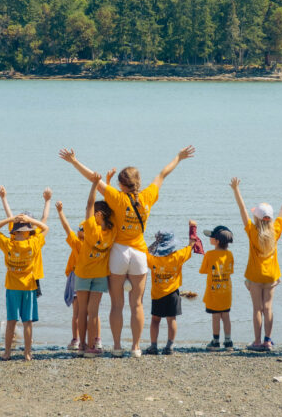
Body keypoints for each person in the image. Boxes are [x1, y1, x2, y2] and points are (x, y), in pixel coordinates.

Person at [59, 146, 195, 357]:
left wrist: (74, 162)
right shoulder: (148, 197)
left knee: (116, 305)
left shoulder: (118, 198)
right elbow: (162, 174)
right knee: (137, 304)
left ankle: (116, 347)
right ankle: (136, 347)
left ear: (121, 184)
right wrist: (178, 157)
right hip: (139, 254)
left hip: (119, 253)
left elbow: (93, 178)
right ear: (138, 183)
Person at [230, 176, 282, 352]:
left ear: (257, 218)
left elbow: (242, 208)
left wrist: (236, 189)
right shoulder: (276, 230)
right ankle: (268, 341)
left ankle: (257, 341)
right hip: (271, 275)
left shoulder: (252, 231)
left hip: (254, 275)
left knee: (257, 309)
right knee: (268, 307)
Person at [0, 211, 49, 361]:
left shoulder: (9, 244)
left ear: (14, 233)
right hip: (28, 287)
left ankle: (7, 353)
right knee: (27, 322)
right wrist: (30, 220)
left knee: (11, 321)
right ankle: (27, 353)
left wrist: (11, 218)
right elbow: (45, 228)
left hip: (12, 287)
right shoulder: (33, 242)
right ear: (28, 232)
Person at [69, 179, 114, 357]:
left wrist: (95, 184)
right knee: (93, 312)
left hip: (83, 274)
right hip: (100, 275)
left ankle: (82, 345)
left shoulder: (89, 228)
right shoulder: (112, 231)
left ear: (98, 215)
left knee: (82, 311)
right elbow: (110, 208)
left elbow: (89, 204)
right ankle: (92, 346)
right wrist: (107, 183)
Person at [145, 226, 194, 355]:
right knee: (171, 319)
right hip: (173, 293)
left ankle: (153, 346)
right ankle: (169, 346)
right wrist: (192, 230)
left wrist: (155, 243)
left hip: (157, 294)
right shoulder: (178, 256)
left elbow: (144, 252)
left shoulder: (153, 259)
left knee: (155, 320)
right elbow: (190, 247)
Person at [200, 225, 234, 351]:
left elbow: (203, 270)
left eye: (211, 237)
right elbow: (230, 271)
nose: (210, 239)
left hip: (213, 292)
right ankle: (228, 341)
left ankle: (215, 341)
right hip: (226, 291)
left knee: (215, 317)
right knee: (226, 316)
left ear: (217, 241)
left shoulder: (209, 254)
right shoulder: (229, 254)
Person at [56, 201, 83, 351]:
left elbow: (66, 228)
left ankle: (75, 340)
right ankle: (93, 340)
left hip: (77, 278)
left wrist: (60, 212)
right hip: (90, 277)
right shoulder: (94, 244)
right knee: (91, 312)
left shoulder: (78, 244)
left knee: (77, 313)